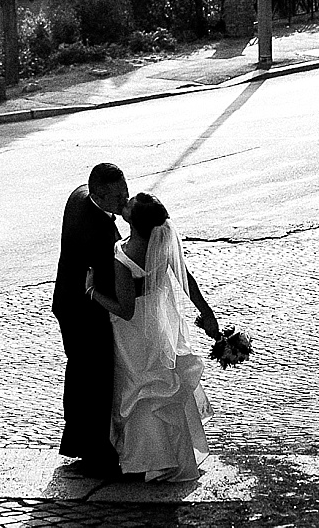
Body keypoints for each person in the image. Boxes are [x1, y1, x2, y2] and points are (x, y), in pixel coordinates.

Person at [87, 192, 221, 482]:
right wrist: (207, 313)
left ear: (133, 221)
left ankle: (150, 459)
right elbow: (187, 280)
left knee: (138, 390)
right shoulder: (161, 244)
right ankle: (168, 456)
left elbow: (124, 309)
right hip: (158, 324)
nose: (126, 202)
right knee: (160, 384)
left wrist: (93, 293)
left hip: (132, 333)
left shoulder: (123, 255)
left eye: (130, 204)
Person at [52, 161, 130, 478]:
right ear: (98, 194)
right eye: (117, 197)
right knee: (96, 379)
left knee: (81, 374)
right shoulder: (99, 234)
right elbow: (113, 281)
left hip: (68, 300)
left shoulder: (79, 196)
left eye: (125, 191)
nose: (124, 201)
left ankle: (78, 443)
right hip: (86, 310)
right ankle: (96, 451)